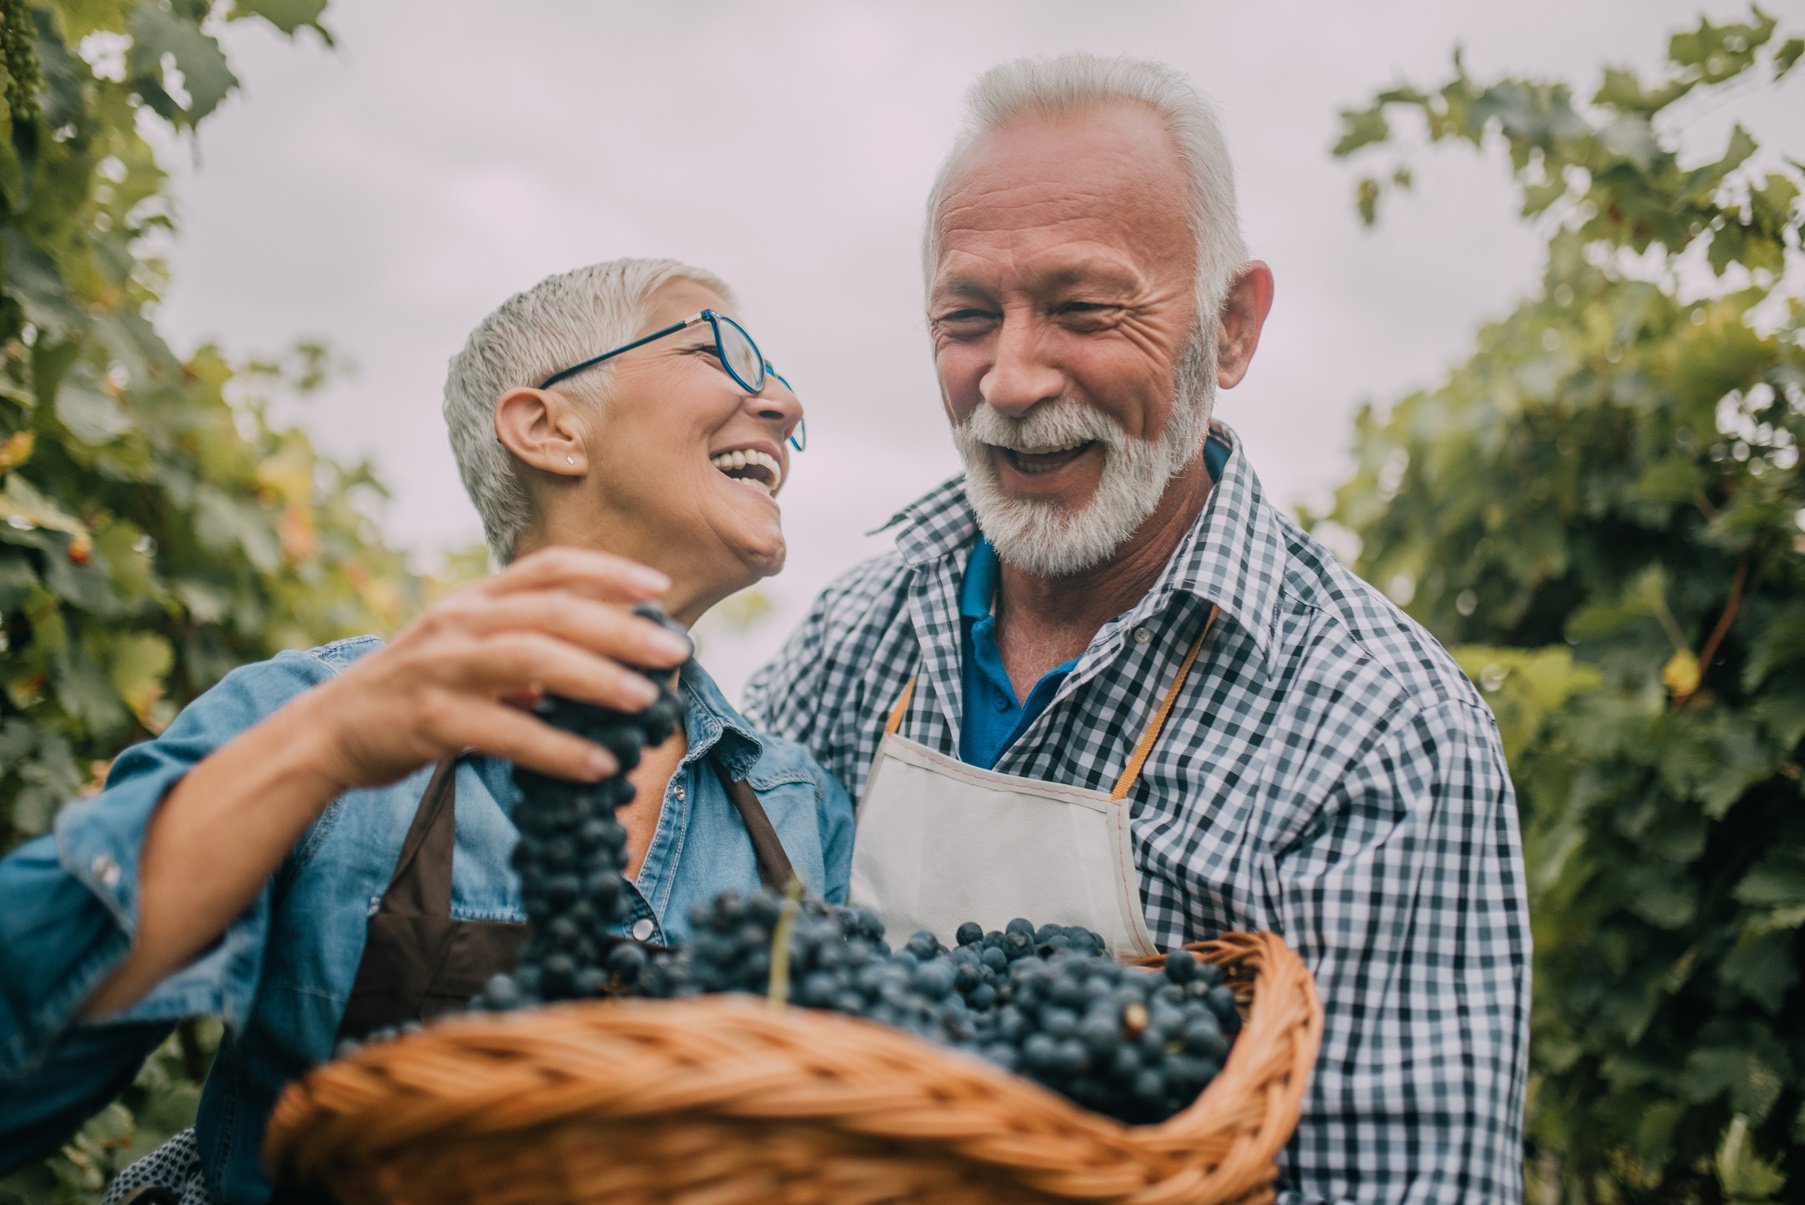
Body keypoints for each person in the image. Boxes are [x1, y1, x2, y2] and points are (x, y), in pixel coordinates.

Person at [743, 54, 1530, 1203]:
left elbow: (1403, 1182)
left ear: (1231, 328)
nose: (1008, 379)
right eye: (967, 317)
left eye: (1083, 308)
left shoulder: (1380, 730)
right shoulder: (862, 627)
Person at [0, 258, 854, 1203]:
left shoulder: (797, 806)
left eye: (771, 371)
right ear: (549, 427)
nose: (782, 400)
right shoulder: (302, 717)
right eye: (716, 351)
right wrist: (318, 751)